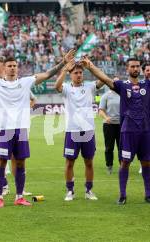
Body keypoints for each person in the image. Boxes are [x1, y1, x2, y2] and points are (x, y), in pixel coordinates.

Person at [0, 49, 76, 207]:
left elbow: (47, 74)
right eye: (9, 65)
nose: (12, 68)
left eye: (14, 65)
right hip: (3, 130)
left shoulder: (25, 82)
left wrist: (63, 62)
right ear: (4, 68)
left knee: (20, 163)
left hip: (20, 130)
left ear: (17, 68)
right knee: (0, 163)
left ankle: (19, 196)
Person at [84, 57, 150, 205]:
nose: (135, 69)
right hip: (128, 131)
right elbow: (105, 79)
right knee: (125, 163)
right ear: (127, 69)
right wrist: (90, 67)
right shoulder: (122, 86)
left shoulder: (147, 84)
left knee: (146, 162)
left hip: (145, 131)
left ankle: (148, 194)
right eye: (132, 66)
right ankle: (122, 195)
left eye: (137, 66)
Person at [55, 60, 103, 201]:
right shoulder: (66, 88)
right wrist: (64, 69)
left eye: (81, 72)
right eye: (75, 73)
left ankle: (89, 190)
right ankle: (70, 191)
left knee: (89, 162)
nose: (79, 75)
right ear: (71, 75)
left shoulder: (90, 86)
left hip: (88, 130)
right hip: (72, 131)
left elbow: (103, 80)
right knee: (70, 162)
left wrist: (91, 67)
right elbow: (57, 86)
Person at [99, 86, 120, 175]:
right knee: (109, 147)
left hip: (121, 125)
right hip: (109, 125)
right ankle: (109, 166)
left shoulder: (123, 94)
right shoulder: (106, 96)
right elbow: (101, 111)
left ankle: (122, 166)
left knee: (122, 147)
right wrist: (106, 117)